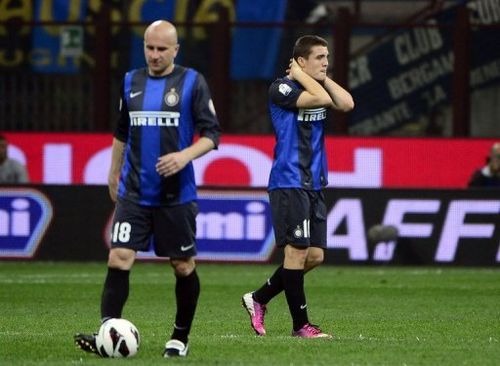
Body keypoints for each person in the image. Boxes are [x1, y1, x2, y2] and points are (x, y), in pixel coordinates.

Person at [74, 20, 220, 358]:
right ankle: (108, 333)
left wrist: (184, 156)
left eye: (161, 49)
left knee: (182, 265)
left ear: (175, 50)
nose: (154, 55)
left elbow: (212, 135)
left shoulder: (192, 82)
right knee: (119, 257)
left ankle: (179, 338)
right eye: (149, 48)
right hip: (135, 190)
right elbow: (122, 131)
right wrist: (113, 174)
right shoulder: (131, 81)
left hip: (176, 194)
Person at [242, 35, 354, 338]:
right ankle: (301, 326)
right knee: (296, 253)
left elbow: (346, 103)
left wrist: (315, 76)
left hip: (314, 183)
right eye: (319, 57)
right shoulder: (281, 88)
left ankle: (259, 298)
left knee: (314, 256)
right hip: (289, 180)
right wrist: (300, 76)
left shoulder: (313, 82)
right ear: (301, 61)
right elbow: (318, 99)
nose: (326, 62)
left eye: (327, 57)